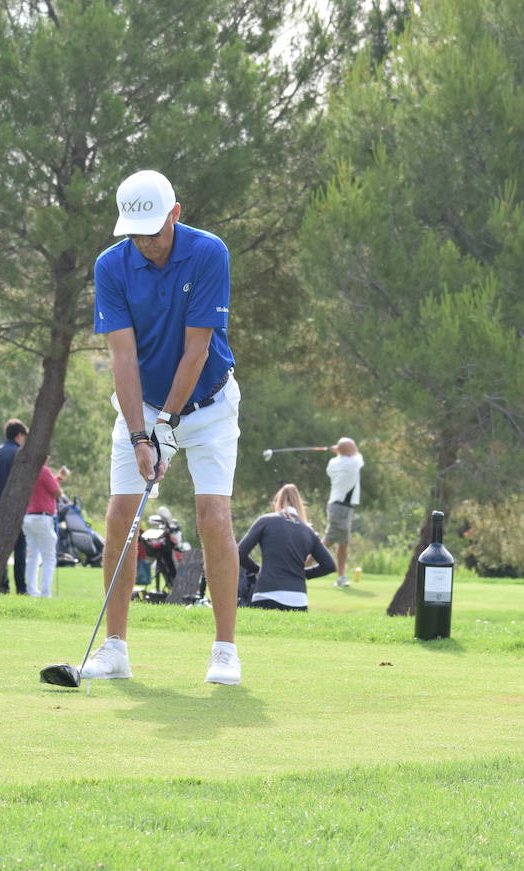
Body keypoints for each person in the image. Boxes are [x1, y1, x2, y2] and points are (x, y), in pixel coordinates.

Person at [83, 168, 243, 685]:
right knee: (119, 515)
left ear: (175, 214)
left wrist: (169, 426)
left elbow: (197, 349)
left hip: (210, 404)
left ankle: (224, 650)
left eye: (153, 231)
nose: (146, 243)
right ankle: (115, 648)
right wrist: (140, 434)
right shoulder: (111, 266)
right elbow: (122, 359)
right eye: (136, 233)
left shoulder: (208, 252)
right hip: (143, 404)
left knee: (212, 516)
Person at [237, 484, 337, 611]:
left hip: (267, 594)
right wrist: (300, 573)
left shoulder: (265, 521)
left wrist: (257, 569)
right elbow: (329, 566)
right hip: (298, 600)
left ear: (277, 503)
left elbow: (239, 552)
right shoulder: (308, 531)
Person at [0, 418, 29, 594]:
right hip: (15, 510)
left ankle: (3, 584)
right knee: (19, 549)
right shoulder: (19, 454)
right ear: (19, 435)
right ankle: (21, 587)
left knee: (0, 548)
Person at [22, 460, 68, 597]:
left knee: (32, 556)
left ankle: (31, 591)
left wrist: (58, 478)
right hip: (42, 518)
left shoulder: (28, 468)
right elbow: (57, 492)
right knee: (49, 558)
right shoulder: (43, 470)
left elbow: (43, 485)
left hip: (28, 517)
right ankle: (46, 593)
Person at [323, 437, 364, 586]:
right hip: (340, 507)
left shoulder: (333, 463)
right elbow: (359, 456)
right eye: (353, 447)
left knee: (343, 543)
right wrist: (340, 451)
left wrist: (339, 453)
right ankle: (300, 568)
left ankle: (341, 577)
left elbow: (347, 455)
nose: (356, 448)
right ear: (348, 451)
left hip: (340, 507)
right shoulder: (353, 462)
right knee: (329, 540)